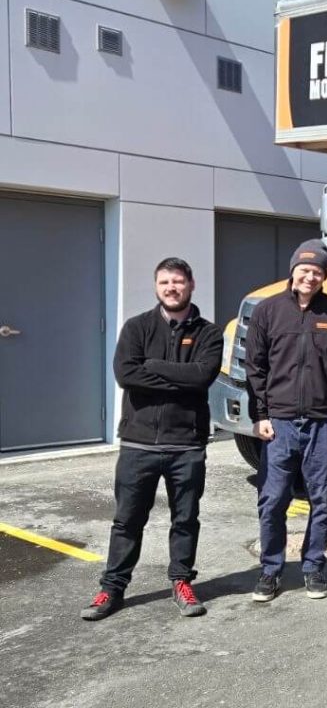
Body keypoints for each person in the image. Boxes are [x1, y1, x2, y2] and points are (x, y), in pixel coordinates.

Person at [81, 258, 223, 621]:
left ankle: (182, 582)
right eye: (164, 282)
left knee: (185, 519)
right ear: (156, 286)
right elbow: (126, 375)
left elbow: (201, 377)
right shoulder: (137, 327)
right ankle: (112, 588)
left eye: (178, 281)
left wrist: (154, 366)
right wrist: (179, 378)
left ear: (191, 284)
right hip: (138, 442)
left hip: (186, 445)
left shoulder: (209, 334)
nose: (171, 288)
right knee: (127, 521)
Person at [244, 239, 327, 604]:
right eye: (305, 269)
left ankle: (313, 567)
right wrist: (260, 415)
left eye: (318, 271)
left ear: (324, 276)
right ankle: (270, 570)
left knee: (322, 500)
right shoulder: (268, 311)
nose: (310, 276)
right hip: (280, 422)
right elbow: (255, 368)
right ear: (293, 271)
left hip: (324, 423)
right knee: (272, 499)